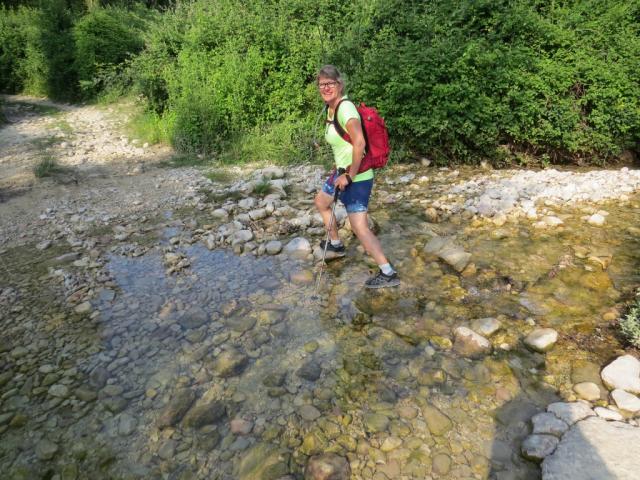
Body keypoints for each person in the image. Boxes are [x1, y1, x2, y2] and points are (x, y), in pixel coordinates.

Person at [313, 65, 400, 289]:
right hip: (340, 172)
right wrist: (340, 170)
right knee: (321, 202)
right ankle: (336, 244)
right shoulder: (330, 109)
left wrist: (349, 177)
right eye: (322, 84)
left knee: (359, 227)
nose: (325, 88)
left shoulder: (346, 109)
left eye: (330, 83)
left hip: (357, 176)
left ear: (339, 84)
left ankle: (388, 273)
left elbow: (359, 142)